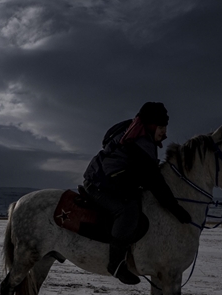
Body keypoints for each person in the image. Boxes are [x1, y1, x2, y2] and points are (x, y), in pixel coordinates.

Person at [82, 102, 191, 285]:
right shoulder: (141, 143)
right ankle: (115, 263)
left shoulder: (137, 133)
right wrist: (175, 209)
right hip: (99, 185)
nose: (165, 133)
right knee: (127, 210)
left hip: (111, 182)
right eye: (162, 128)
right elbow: (155, 181)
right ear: (151, 126)